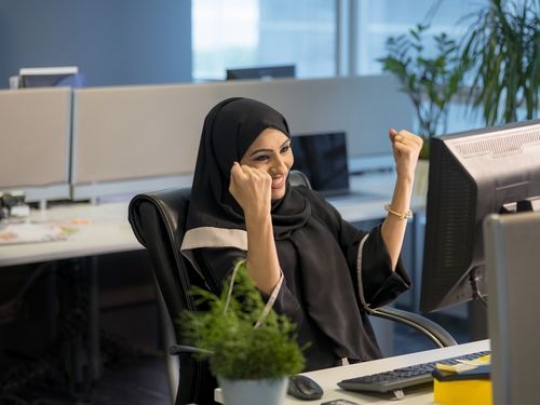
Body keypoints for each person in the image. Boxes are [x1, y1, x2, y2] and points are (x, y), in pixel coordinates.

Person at [181, 96, 422, 371]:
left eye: (285, 149)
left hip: (359, 371)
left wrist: (405, 177)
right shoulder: (213, 233)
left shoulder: (307, 205)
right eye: (262, 158)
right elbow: (265, 313)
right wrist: (257, 214)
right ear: (230, 166)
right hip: (286, 382)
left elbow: (371, 272)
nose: (281, 167)